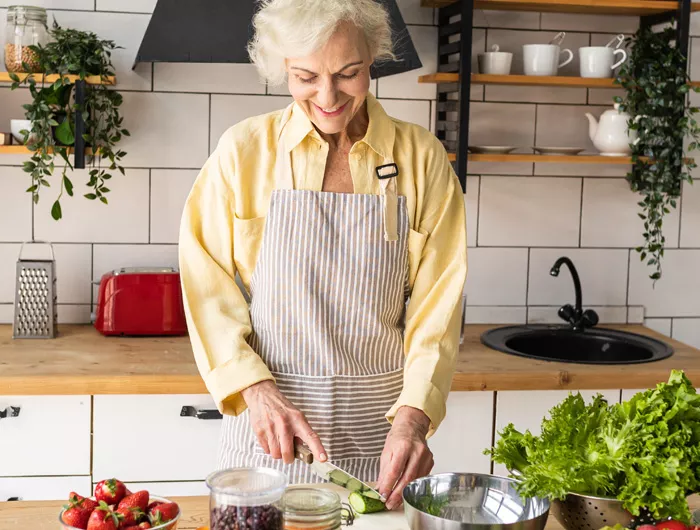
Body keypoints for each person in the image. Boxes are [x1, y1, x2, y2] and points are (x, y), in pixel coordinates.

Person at [178, 0, 467, 510]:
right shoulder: (242, 152)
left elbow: (436, 310)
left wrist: (414, 418)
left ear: (373, 57)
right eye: (305, 76)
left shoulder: (421, 159)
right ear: (280, 69)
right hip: (266, 439)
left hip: (381, 450)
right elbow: (207, 288)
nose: (328, 96)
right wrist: (256, 392)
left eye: (348, 73)